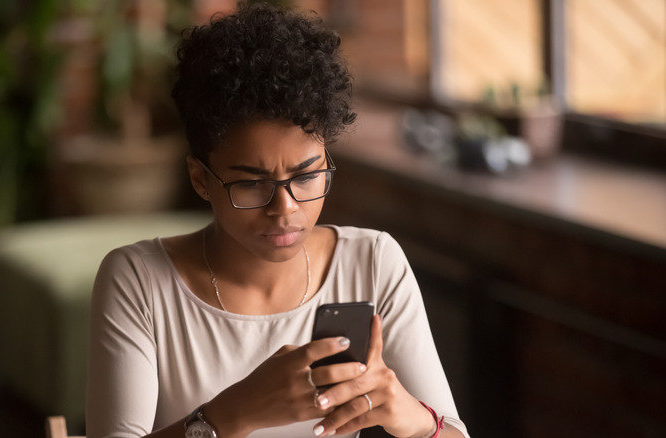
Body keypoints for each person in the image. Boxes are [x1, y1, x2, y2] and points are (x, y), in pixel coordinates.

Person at [86, 3, 470, 438]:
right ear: (200, 178)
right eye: (252, 184)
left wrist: (412, 417)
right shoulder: (139, 282)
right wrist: (232, 414)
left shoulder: (373, 262)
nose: (285, 208)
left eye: (307, 176)